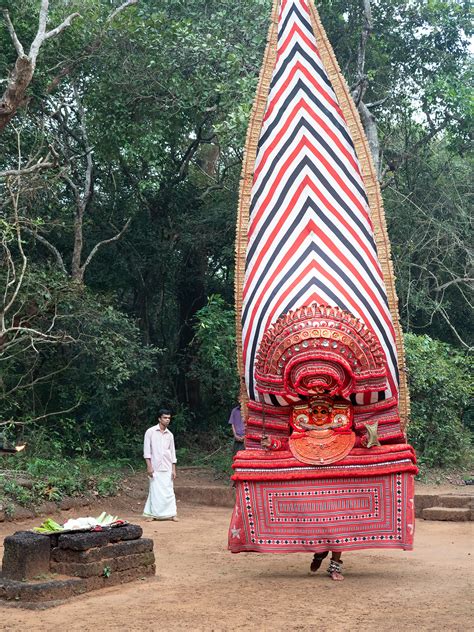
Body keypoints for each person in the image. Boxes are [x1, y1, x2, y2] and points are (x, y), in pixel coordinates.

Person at [143, 409, 178, 522]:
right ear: (159, 419)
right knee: (155, 490)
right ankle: (153, 514)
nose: (167, 420)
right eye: (165, 418)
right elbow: (147, 451)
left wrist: (174, 469)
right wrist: (149, 466)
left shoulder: (170, 434)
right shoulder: (150, 432)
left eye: (169, 418)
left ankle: (172, 514)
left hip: (167, 466)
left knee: (169, 491)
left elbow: (172, 452)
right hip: (155, 466)